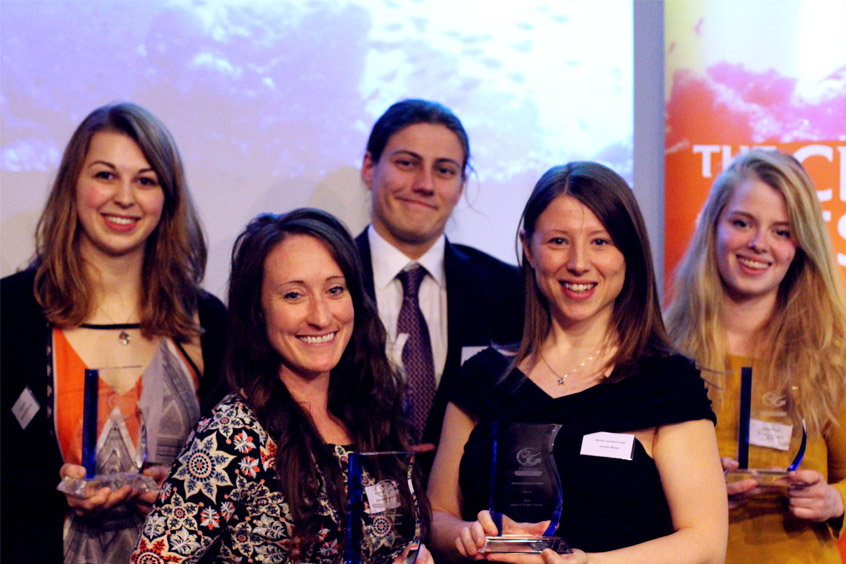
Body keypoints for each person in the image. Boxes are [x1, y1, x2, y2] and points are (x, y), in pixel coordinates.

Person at [427, 162, 728, 563]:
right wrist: (467, 536)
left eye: (600, 242)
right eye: (558, 241)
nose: (579, 263)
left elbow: (705, 542)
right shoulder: (481, 380)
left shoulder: (668, 384)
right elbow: (436, 516)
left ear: (629, 253)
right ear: (528, 248)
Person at [132, 209, 433, 563]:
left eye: (335, 290)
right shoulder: (233, 435)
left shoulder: (373, 408)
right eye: (293, 295)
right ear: (258, 311)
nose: (321, 316)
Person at [0, 102, 228, 563]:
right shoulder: (10, 314)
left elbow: (240, 478)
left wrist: (184, 491)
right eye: (105, 175)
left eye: (145, 180)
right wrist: (53, 491)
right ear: (73, 185)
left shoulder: (207, 321)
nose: (124, 197)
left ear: (167, 197)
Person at [666, 149, 846, 563]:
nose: (758, 244)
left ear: (801, 245)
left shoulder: (830, 355)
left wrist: (833, 500)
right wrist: (697, 497)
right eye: (742, 222)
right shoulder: (665, 352)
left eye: (782, 232)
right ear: (714, 226)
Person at [356, 98, 523, 461]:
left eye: (444, 170)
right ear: (369, 168)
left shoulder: (510, 291)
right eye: (406, 163)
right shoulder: (326, 282)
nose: (425, 184)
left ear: (461, 185)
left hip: (470, 511)